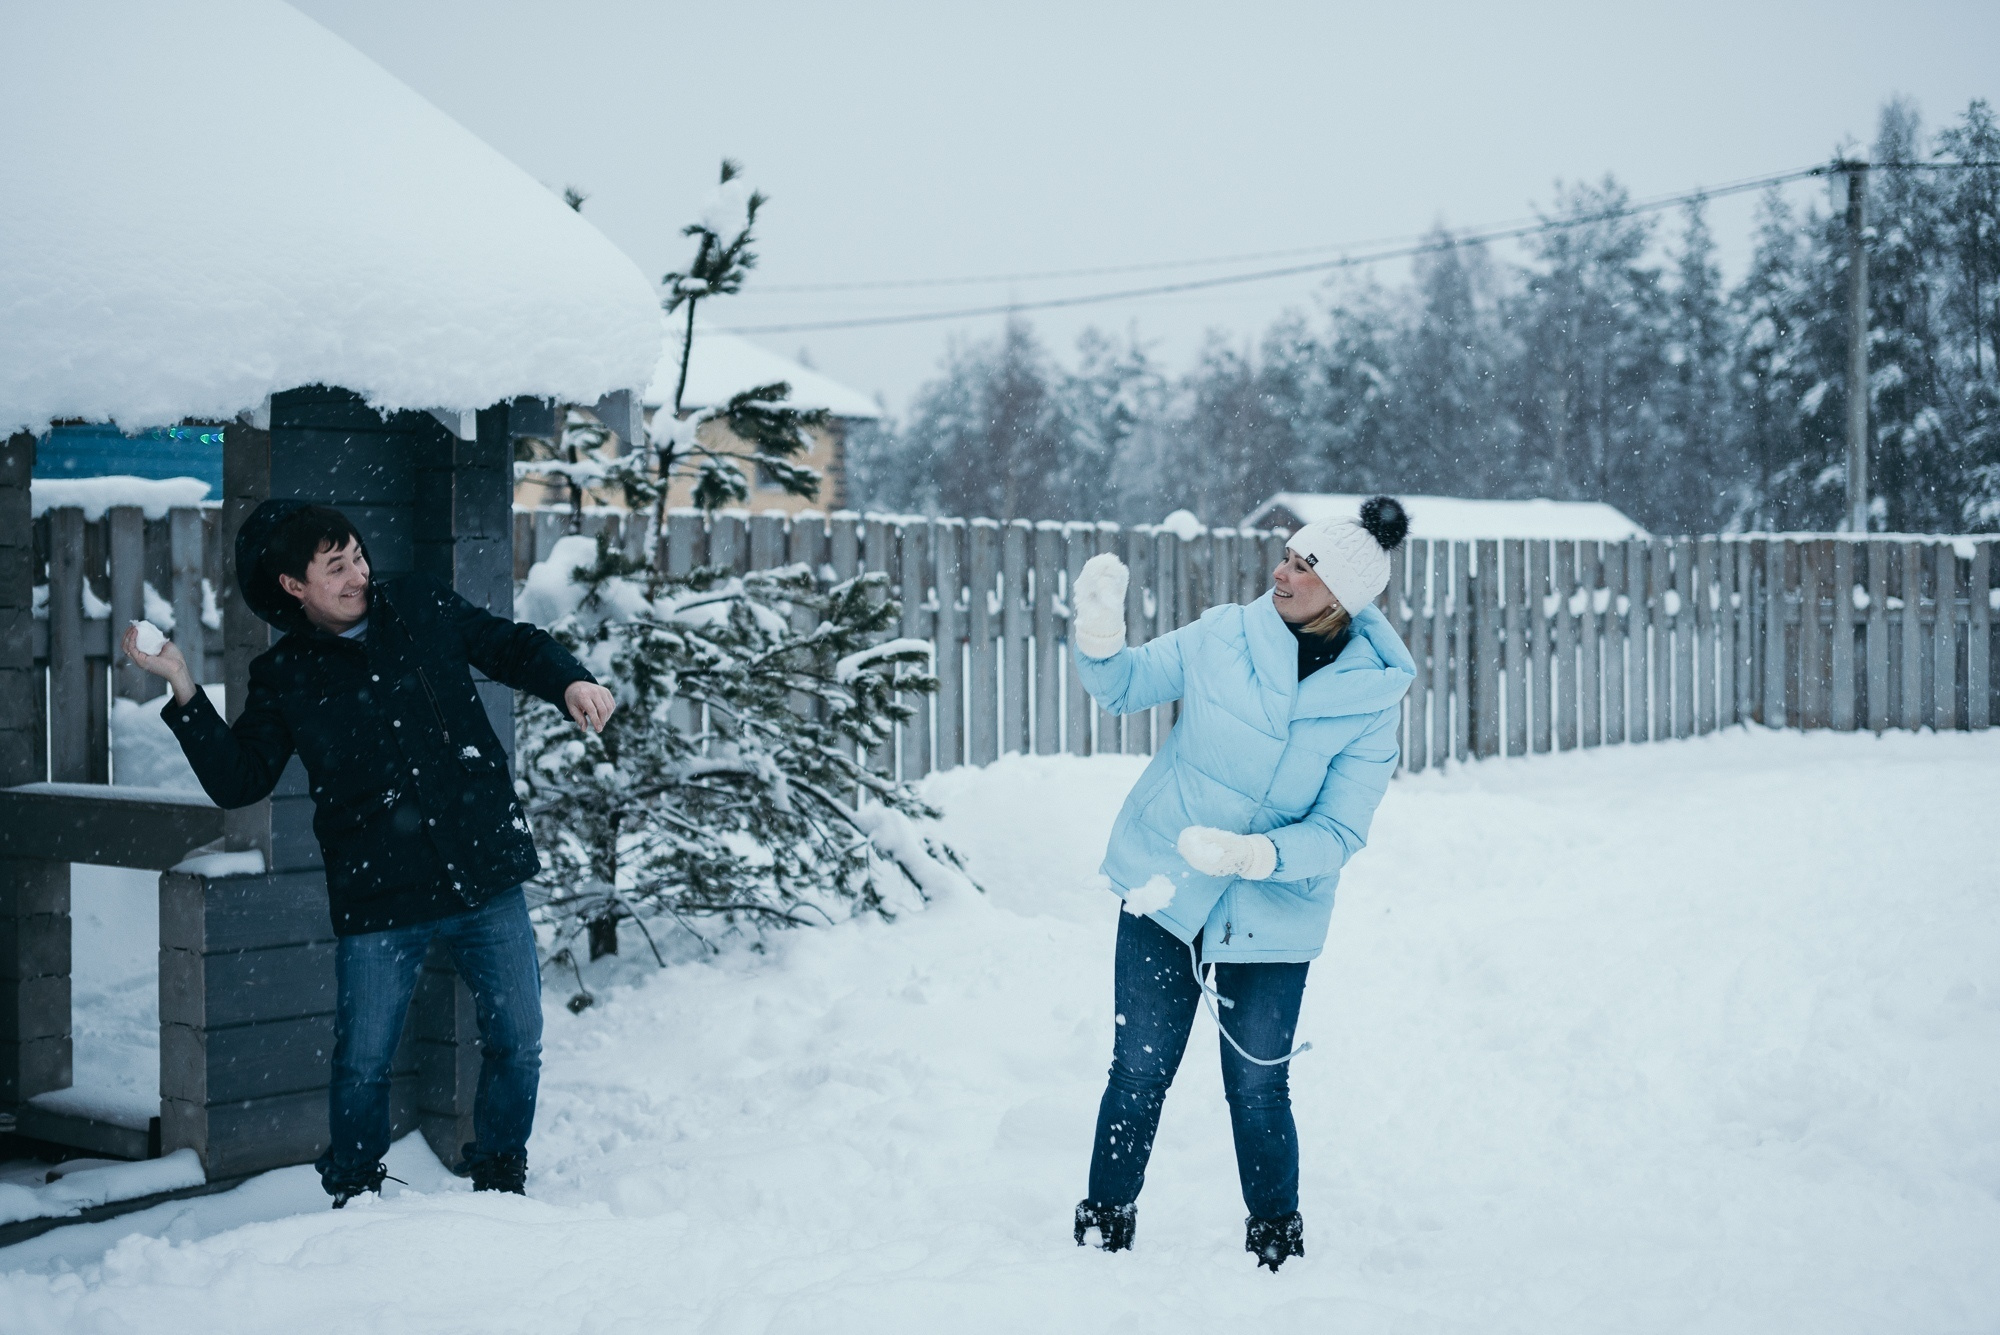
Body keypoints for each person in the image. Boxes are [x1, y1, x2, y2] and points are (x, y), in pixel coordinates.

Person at [123, 500, 615, 1207]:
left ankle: (502, 1181)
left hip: (482, 867)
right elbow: (240, 778)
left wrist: (569, 677)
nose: (359, 572)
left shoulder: (418, 604)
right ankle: (354, 1195)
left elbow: (509, 645)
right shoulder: (286, 674)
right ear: (294, 586)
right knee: (362, 1063)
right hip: (381, 892)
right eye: (335, 565)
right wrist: (181, 684)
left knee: (518, 1036)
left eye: (356, 553)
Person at [1066, 496, 1414, 1271]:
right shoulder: (1226, 631)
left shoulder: (1371, 700)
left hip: (1271, 914)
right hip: (1166, 885)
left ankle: (1276, 1246)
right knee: (1140, 1070)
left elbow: (1340, 831)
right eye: (1287, 555)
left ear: (1343, 596)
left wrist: (1257, 857)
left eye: (1304, 565)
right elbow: (1124, 686)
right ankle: (1101, 1229)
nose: (1282, 571)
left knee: (1258, 1088)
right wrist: (1099, 629)